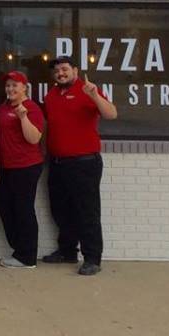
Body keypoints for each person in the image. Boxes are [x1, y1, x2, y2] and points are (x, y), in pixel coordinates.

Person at [41, 56, 117, 276]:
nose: (61, 73)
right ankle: (67, 251)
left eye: (65, 69)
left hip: (84, 163)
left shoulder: (88, 90)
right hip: (57, 163)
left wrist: (95, 96)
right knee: (61, 210)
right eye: (57, 71)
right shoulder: (51, 95)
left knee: (87, 212)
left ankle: (92, 258)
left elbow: (111, 114)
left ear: (75, 70)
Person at [0, 70, 45, 269]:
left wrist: (23, 117)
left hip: (26, 166)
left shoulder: (31, 108)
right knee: (3, 205)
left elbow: (34, 138)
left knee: (23, 210)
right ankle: (19, 249)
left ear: (24, 87)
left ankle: (27, 257)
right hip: (6, 167)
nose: (10, 88)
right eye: (8, 85)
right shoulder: (3, 107)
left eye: (15, 85)